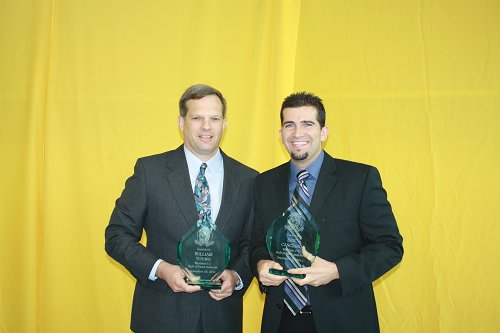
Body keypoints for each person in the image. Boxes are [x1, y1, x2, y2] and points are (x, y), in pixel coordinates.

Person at [105, 84, 258, 333]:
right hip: (161, 317)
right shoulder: (150, 171)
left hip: (222, 319)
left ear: (224, 124)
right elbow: (117, 235)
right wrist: (162, 270)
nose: (206, 126)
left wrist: (236, 277)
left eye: (214, 118)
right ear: (181, 122)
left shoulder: (249, 179)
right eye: (197, 117)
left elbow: (253, 244)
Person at [250, 92, 403, 333]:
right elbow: (257, 241)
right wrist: (260, 263)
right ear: (281, 134)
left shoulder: (360, 179)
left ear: (324, 132)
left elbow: (389, 246)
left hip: (343, 319)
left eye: (307, 124)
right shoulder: (264, 183)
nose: (297, 133)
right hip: (281, 321)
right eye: (289, 125)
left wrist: (336, 271)